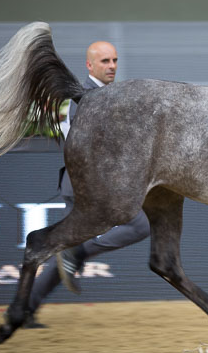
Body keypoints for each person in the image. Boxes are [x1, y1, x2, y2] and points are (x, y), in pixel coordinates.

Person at [25, 41, 152, 328]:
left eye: (114, 60)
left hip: (88, 187)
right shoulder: (86, 98)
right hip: (89, 189)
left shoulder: (104, 96)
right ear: (89, 65)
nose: (112, 66)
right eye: (105, 61)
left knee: (65, 254)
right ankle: (76, 254)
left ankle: (24, 309)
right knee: (139, 226)